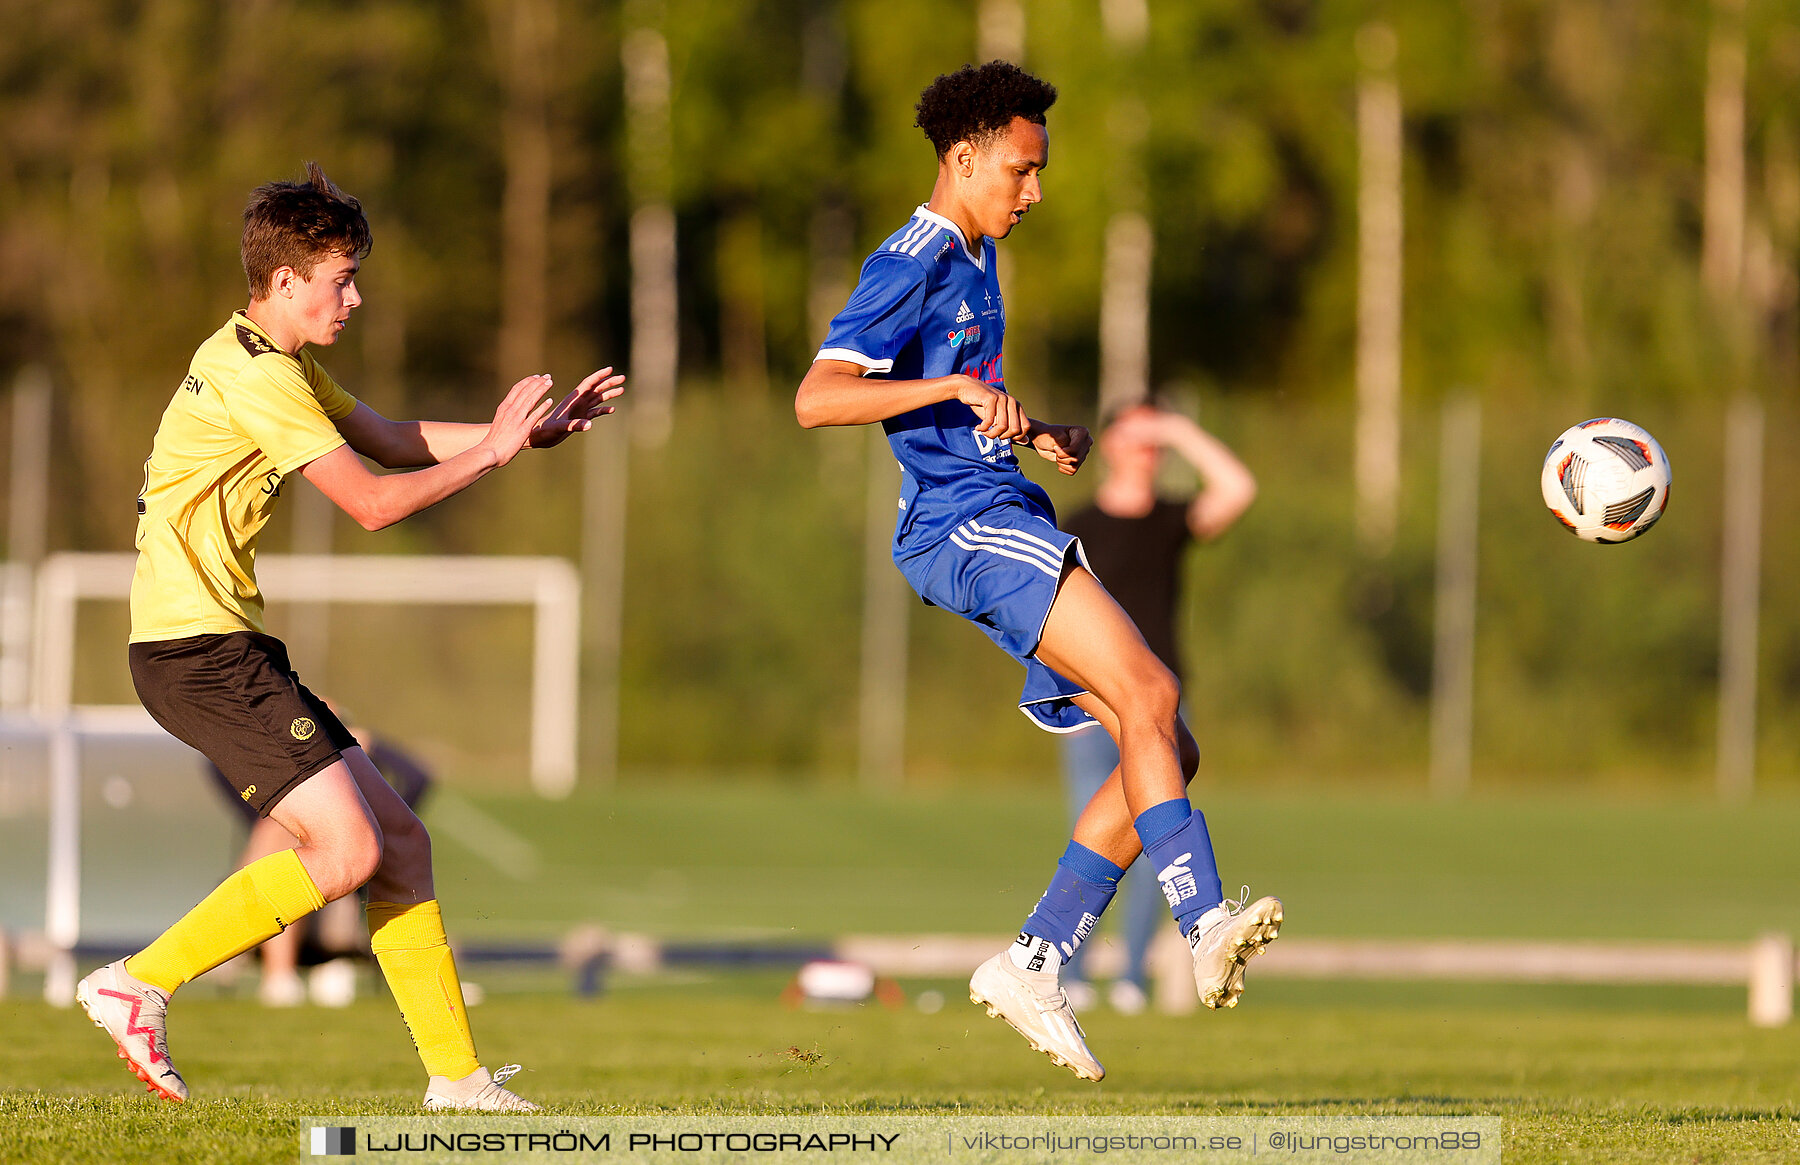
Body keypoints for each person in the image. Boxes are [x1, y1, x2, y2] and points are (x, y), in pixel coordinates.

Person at [75, 162, 623, 1110]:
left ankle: (457, 1079)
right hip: (196, 654)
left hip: (222, 649)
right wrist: (491, 451)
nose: (358, 296)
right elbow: (371, 504)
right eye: (343, 277)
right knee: (349, 851)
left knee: (399, 842)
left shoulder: (271, 359)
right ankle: (141, 981)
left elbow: (389, 437)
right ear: (286, 279)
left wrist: (525, 436)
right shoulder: (256, 375)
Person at [795, 62, 1282, 1083]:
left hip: (999, 506)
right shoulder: (914, 256)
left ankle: (1034, 958)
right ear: (965, 160)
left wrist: (1035, 427)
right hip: (963, 528)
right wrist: (958, 391)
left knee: (1166, 743)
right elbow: (818, 396)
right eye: (1022, 171)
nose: (1036, 191)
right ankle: (1202, 924)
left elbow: (962, 403)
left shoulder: (978, 254)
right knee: (1151, 689)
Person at [1056, 401, 1258, 1015]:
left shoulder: (1169, 519)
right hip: (1091, 699)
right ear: (1112, 442)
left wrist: (1178, 429)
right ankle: (1071, 968)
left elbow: (1238, 488)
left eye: (1154, 441)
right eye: (1137, 436)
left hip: (1158, 700)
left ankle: (1132, 978)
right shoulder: (1079, 523)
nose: (1148, 449)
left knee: (1153, 838)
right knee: (1094, 830)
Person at [203, 709, 435, 1008]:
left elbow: (417, 779)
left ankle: (290, 972)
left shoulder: (352, 782)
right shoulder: (273, 807)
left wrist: (371, 745)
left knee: (339, 839)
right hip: (278, 911)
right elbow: (215, 764)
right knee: (280, 834)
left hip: (334, 920)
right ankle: (279, 974)